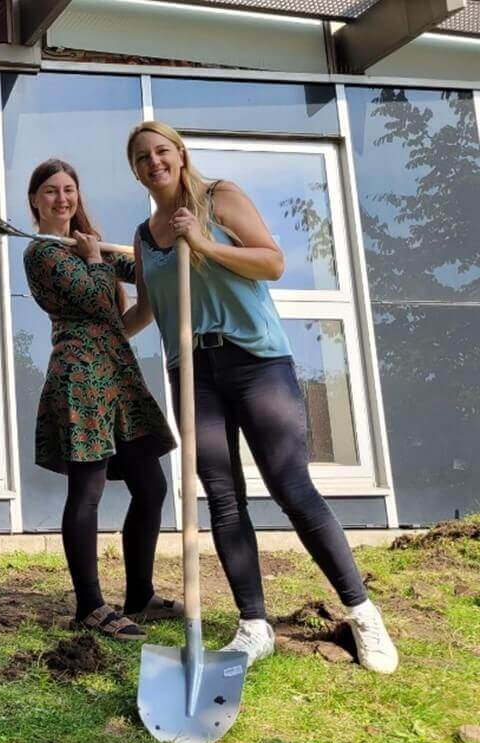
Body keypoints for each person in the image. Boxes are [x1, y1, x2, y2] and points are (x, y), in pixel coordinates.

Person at [123, 120, 398, 672]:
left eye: (161, 151)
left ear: (179, 153)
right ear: (135, 169)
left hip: (254, 359)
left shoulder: (218, 197)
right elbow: (148, 311)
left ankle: (362, 612)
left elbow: (271, 261)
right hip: (191, 371)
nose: (154, 162)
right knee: (222, 497)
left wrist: (200, 242)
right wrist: (94, 326)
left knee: (291, 485)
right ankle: (254, 624)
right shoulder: (144, 233)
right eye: (141, 157)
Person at [23, 159, 179, 640]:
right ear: (35, 201)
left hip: (118, 373)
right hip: (80, 378)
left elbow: (143, 275)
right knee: (86, 491)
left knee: (151, 486)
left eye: (69, 189)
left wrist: (166, 253)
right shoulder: (43, 255)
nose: (62, 198)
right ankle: (90, 606)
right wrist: (95, 259)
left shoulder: (92, 245)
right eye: (51, 191)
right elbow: (94, 297)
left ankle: (139, 596)